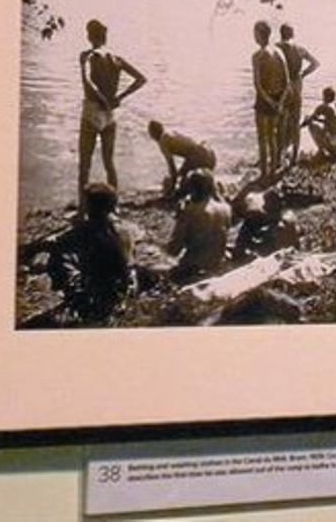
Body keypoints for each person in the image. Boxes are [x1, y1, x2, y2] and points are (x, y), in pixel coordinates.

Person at [76, 19, 147, 211]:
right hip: (110, 115)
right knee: (109, 162)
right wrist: (119, 97)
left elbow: (88, 86)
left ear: (89, 36)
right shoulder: (117, 59)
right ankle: (113, 207)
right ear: (105, 36)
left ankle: (83, 210)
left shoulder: (89, 57)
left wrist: (82, 68)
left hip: (92, 111)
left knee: (85, 163)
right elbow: (141, 79)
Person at [47, 182, 136, 322]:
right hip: (123, 286)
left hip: (97, 294)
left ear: (91, 207)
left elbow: (61, 242)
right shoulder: (125, 229)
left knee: (60, 255)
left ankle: (77, 303)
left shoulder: (88, 231)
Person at [166, 169, 232, 283]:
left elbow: (173, 250)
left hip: (194, 269)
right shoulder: (226, 208)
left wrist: (180, 218)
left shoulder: (190, 212)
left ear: (192, 189)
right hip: (219, 265)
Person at [276, 23, 320, 165]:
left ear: (281, 33)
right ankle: (294, 156)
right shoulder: (300, 49)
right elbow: (315, 63)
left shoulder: (278, 47)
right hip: (297, 85)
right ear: (292, 34)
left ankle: (278, 157)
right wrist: (303, 74)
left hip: (283, 87)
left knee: (281, 122)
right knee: (295, 123)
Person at [251, 20, 289, 178]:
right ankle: (273, 170)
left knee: (262, 138)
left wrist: (269, 101)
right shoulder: (279, 52)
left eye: (255, 33)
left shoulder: (257, 56)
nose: (254, 36)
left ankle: (263, 174)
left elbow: (257, 85)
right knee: (272, 137)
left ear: (259, 35)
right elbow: (287, 82)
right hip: (278, 96)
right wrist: (279, 102)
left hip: (264, 99)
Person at [147, 120, 217, 198]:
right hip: (209, 152)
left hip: (198, 155)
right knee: (186, 177)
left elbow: (172, 166)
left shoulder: (163, 141)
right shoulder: (170, 133)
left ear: (153, 134)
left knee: (182, 181)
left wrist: (172, 187)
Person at [234, 189, 301, 261]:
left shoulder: (280, 223)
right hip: (289, 249)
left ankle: (239, 253)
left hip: (277, 254)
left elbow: (271, 241)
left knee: (248, 226)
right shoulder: (288, 214)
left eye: (267, 202)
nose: (264, 205)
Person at [303, 87, 336, 162]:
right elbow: (332, 122)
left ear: (327, 97)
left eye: (323, 96)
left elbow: (309, 119)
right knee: (327, 127)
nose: (323, 98)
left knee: (311, 124)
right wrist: (320, 121)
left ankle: (322, 151)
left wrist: (300, 126)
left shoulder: (323, 106)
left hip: (335, 143)